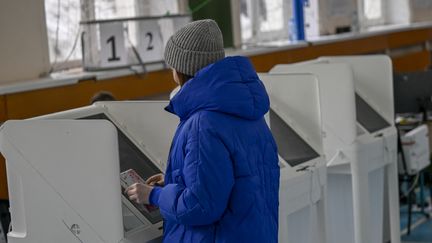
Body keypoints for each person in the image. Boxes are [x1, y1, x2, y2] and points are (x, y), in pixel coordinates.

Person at [125, 19, 279, 242]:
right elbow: (229, 183)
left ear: (182, 69)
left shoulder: (203, 123)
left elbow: (201, 206)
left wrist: (154, 195)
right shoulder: (248, 112)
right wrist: (172, 181)